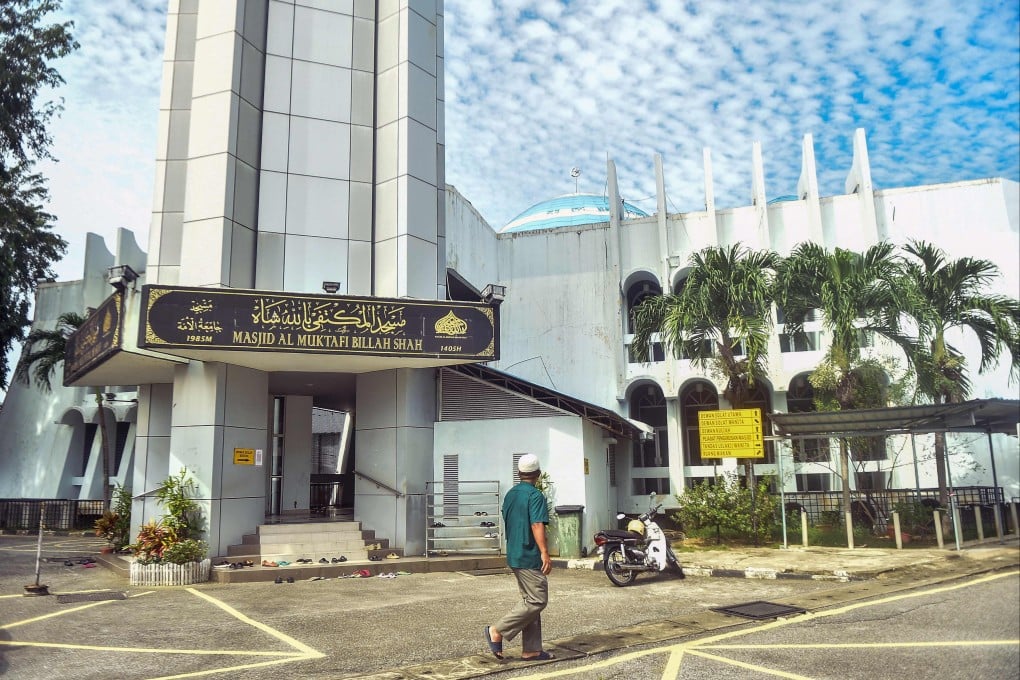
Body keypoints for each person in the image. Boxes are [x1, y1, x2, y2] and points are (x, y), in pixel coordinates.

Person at [484, 453, 554, 661]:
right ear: (538, 474)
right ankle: (497, 630)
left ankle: (531, 649)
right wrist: (544, 552)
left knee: (529, 601)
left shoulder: (511, 494)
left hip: (514, 553)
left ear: (519, 474)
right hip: (528, 554)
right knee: (537, 600)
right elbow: (536, 524)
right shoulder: (535, 495)